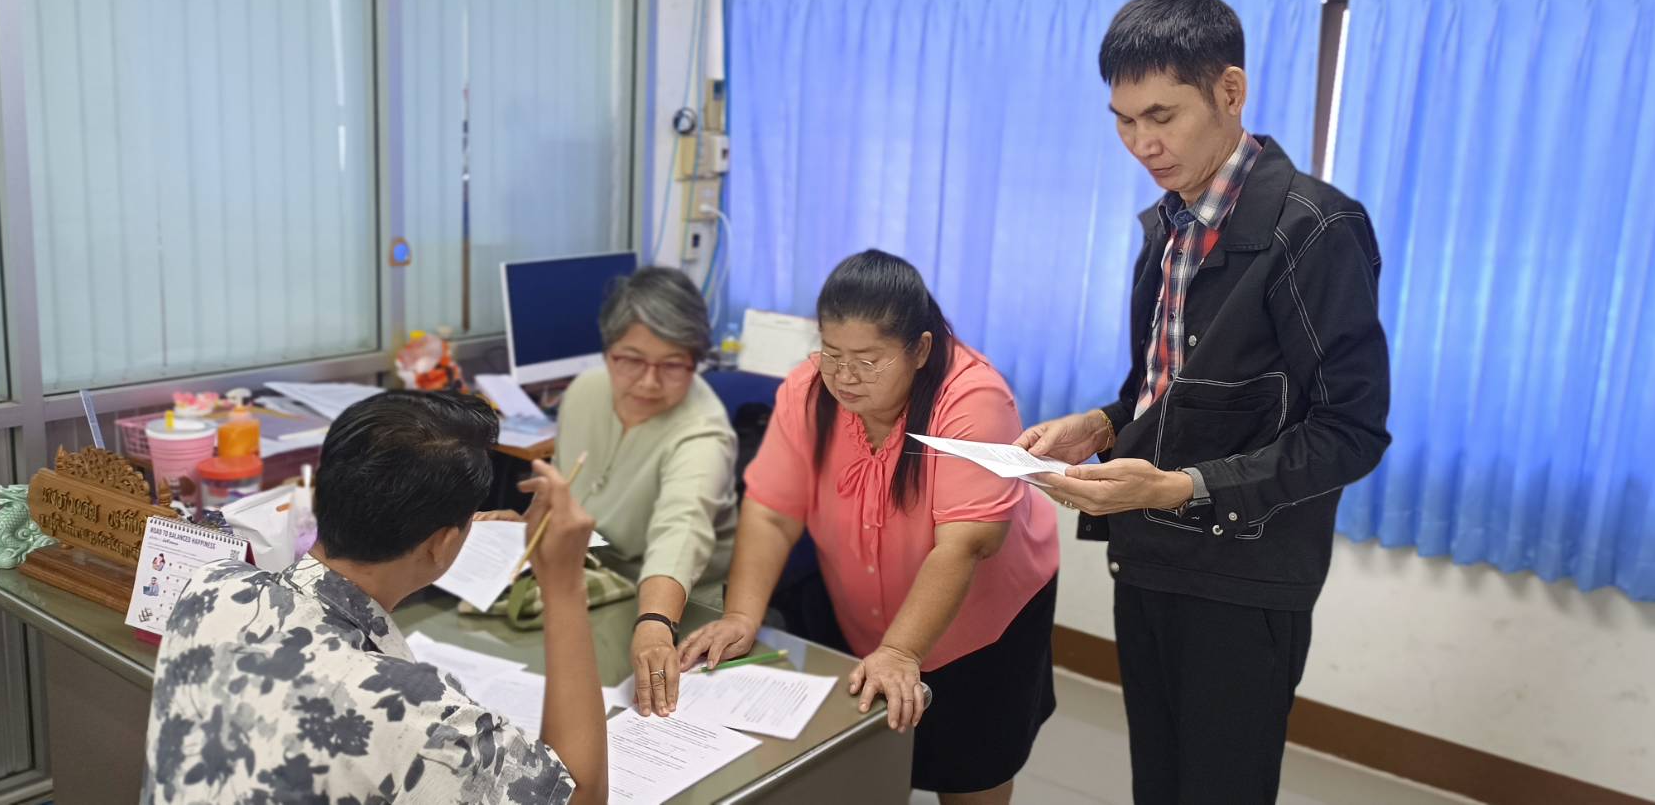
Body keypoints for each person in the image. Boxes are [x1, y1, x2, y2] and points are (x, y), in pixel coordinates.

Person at [1015, 0, 1391, 804]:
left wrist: (1180, 486)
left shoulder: (1313, 229)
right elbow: (1162, 390)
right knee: (1158, 780)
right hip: (1148, 553)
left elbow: (1350, 431)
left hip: (1245, 573)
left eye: (1162, 115)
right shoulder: (1168, 224)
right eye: (1123, 121)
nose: (1141, 143)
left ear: (1229, 90)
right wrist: (1100, 425)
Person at [679, 250, 1060, 805]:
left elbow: (966, 544)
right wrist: (741, 614)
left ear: (920, 349)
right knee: (870, 766)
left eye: (868, 360)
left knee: (971, 771)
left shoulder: (973, 399)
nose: (844, 377)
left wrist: (901, 651)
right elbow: (771, 511)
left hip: (979, 623)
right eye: (832, 353)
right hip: (861, 609)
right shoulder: (808, 390)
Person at [142, 392, 608, 805]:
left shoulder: (210, 587)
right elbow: (580, 794)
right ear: (443, 543)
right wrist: (563, 583)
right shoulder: (412, 711)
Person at [533, 265, 738, 721]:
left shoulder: (704, 434)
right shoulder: (586, 391)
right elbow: (565, 491)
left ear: (696, 362)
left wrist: (655, 623)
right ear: (608, 353)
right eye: (631, 360)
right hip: (596, 587)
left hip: (683, 608)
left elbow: (681, 529)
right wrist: (526, 524)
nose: (648, 382)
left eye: (672, 365)